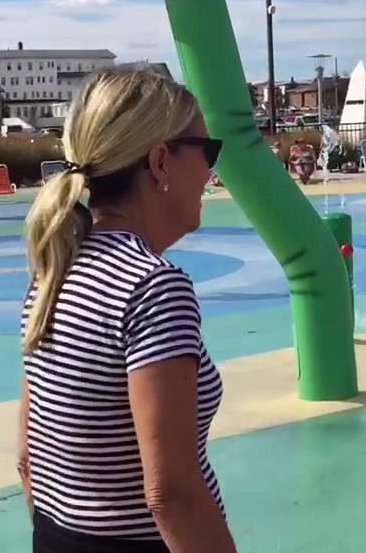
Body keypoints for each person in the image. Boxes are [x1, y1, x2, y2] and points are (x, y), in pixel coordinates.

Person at [18, 70, 235, 553]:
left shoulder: (55, 271)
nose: (210, 172)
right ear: (161, 161)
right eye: (207, 151)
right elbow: (170, 497)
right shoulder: (152, 286)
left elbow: (29, 459)